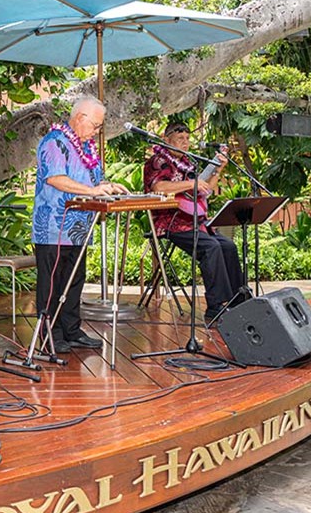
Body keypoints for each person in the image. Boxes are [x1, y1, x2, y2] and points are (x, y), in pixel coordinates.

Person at [32, 97, 127, 354]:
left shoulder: (87, 148)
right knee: (52, 285)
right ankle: (50, 335)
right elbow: (56, 178)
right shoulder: (54, 142)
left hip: (79, 229)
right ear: (80, 118)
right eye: (95, 125)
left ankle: (71, 330)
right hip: (53, 228)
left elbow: (93, 182)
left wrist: (108, 187)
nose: (97, 131)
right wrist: (93, 191)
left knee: (74, 281)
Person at [142, 119, 248, 321]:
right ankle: (215, 306)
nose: (185, 142)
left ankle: (237, 300)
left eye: (187, 138)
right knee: (211, 247)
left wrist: (218, 169)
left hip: (196, 222)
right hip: (171, 222)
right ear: (166, 140)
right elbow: (159, 187)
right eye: (180, 138)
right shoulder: (157, 162)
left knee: (228, 246)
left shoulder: (189, 162)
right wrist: (191, 183)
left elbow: (205, 189)